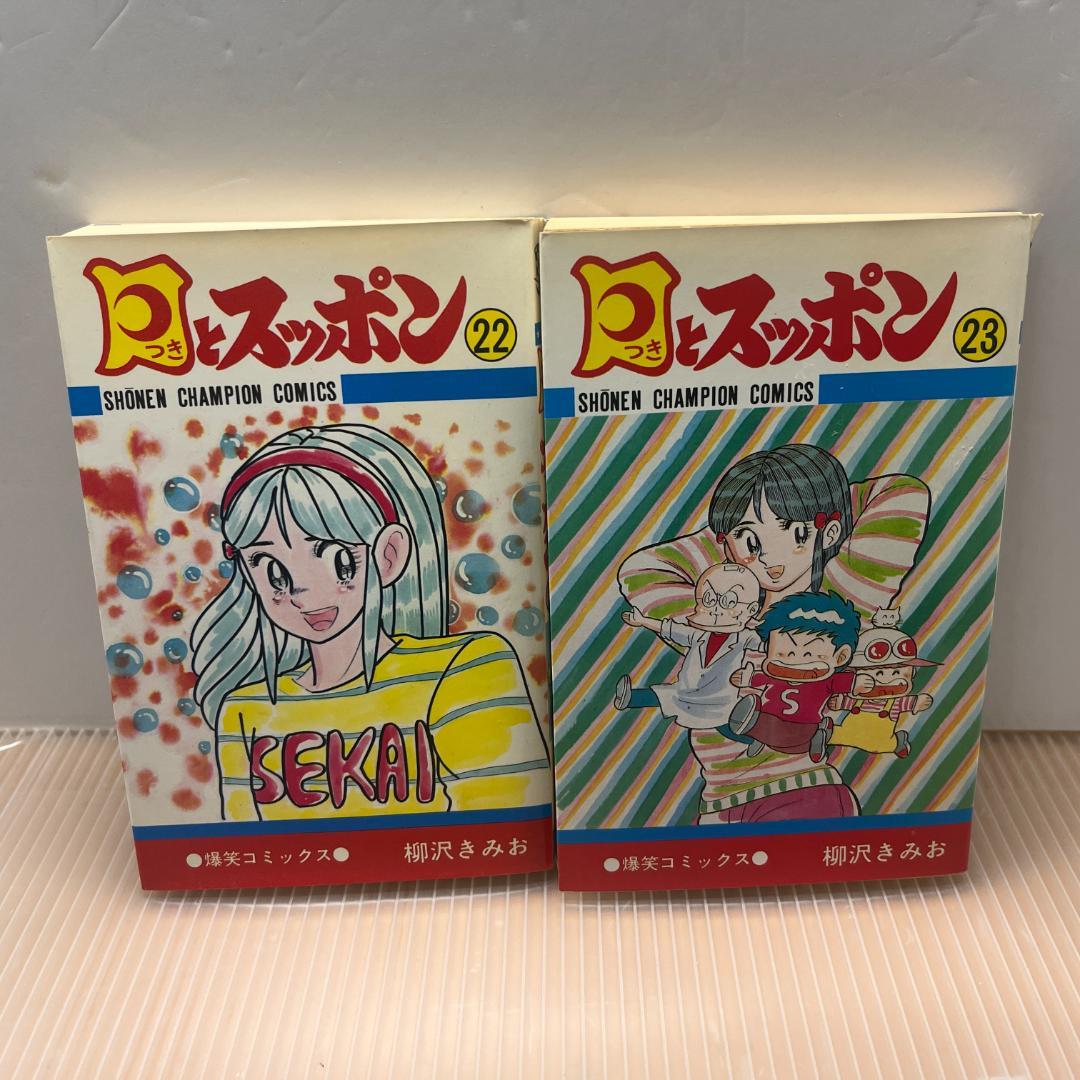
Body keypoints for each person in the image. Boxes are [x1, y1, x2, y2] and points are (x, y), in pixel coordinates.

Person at [190, 423, 550, 821]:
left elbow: (502, 824)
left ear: (389, 554)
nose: (301, 591)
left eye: (337, 558)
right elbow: (250, 844)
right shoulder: (245, 710)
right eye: (270, 567)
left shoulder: (465, 668)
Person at [619, 444, 867, 823]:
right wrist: (732, 536)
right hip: (719, 802)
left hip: (799, 793)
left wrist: (754, 523)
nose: (769, 556)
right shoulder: (726, 618)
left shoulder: (824, 622)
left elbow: (903, 493)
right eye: (751, 542)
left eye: (796, 533)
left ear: (830, 531)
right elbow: (641, 570)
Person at [614, 562, 763, 752]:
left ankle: (753, 741)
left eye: (729, 602)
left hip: (718, 699)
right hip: (686, 691)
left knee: (724, 723)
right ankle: (629, 698)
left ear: (751, 609)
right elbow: (670, 629)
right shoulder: (698, 635)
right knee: (663, 695)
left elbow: (768, 647)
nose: (716, 609)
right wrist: (642, 621)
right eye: (709, 599)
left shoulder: (744, 637)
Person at [726, 591, 863, 763]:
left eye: (808, 654)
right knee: (763, 724)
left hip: (804, 727)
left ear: (841, 656)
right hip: (769, 721)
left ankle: (818, 735)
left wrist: (858, 683)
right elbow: (759, 679)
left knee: (799, 742)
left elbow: (847, 682)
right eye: (783, 653)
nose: (794, 661)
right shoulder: (775, 675)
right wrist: (746, 679)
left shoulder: (827, 680)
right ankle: (758, 735)